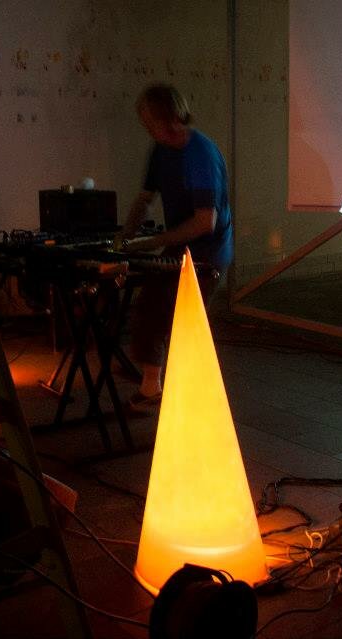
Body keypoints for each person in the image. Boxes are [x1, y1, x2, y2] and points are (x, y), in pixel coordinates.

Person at [118, 83, 233, 412]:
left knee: (182, 319)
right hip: (181, 244)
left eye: (148, 120)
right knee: (151, 307)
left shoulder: (200, 155)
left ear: (166, 119)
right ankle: (151, 386)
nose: (145, 127)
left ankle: (192, 397)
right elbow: (145, 199)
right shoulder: (161, 149)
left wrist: (151, 242)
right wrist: (125, 237)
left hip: (208, 251)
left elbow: (204, 222)